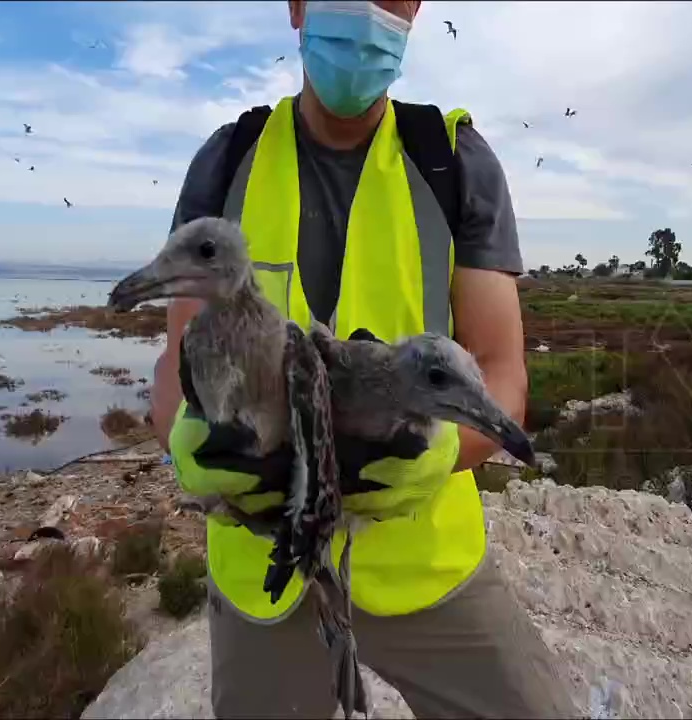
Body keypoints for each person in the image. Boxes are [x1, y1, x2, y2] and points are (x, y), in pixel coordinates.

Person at [148, 1, 576, 717]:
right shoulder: (227, 161)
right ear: (296, 7)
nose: (369, 10)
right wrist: (183, 444)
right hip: (264, 568)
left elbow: (500, 370)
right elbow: (177, 361)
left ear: (415, 10)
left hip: (424, 562)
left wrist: (437, 455)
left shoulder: (453, 160)